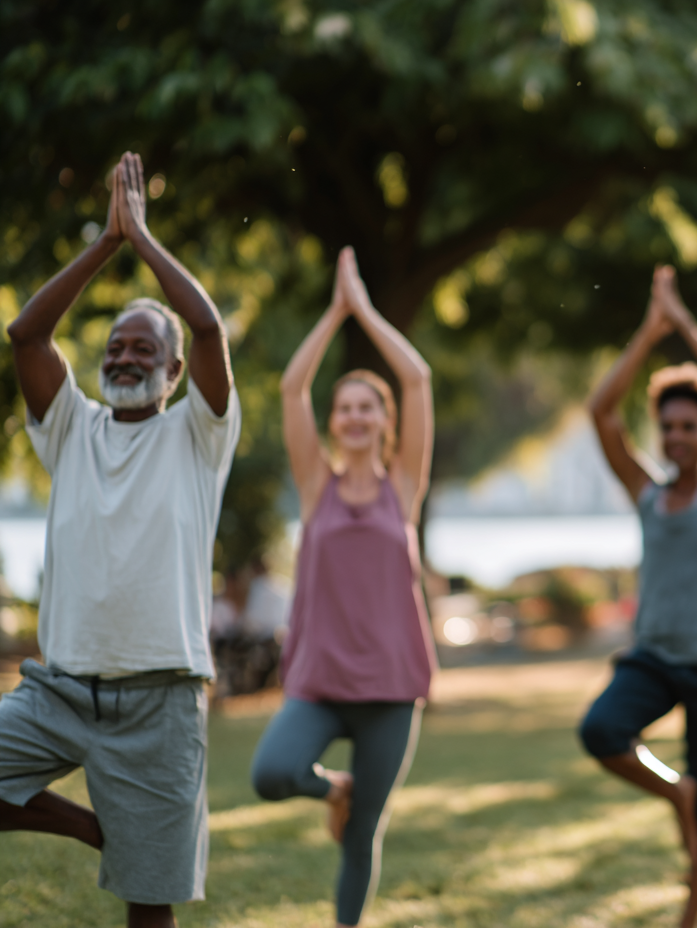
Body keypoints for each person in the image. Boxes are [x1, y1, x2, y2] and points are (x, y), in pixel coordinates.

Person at [0, 153, 240, 928]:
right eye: (114, 345)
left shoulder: (199, 435)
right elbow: (27, 332)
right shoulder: (70, 427)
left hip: (161, 700)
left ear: (173, 372)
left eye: (143, 349)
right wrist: (104, 244)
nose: (124, 356)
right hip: (60, 691)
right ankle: (90, 827)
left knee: (149, 908)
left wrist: (143, 238)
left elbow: (206, 324)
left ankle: (129, 844)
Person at [249, 246, 437, 928]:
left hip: (391, 687)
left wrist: (366, 310)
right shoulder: (315, 488)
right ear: (334, 422)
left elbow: (416, 379)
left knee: (362, 838)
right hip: (321, 681)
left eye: (368, 407)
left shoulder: (404, 488)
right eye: (346, 407)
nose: (356, 416)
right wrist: (334, 313)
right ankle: (335, 789)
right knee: (271, 775)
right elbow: (291, 388)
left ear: (384, 422)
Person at [579, 264, 697, 928]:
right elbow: (600, 411)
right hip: (653, 658)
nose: (678, 436)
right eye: (669, 427)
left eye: (691, 426)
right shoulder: (647, 494)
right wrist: (648, 334)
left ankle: (690, 914)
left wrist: (686, 327)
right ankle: (672, 789)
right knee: (601, 730)